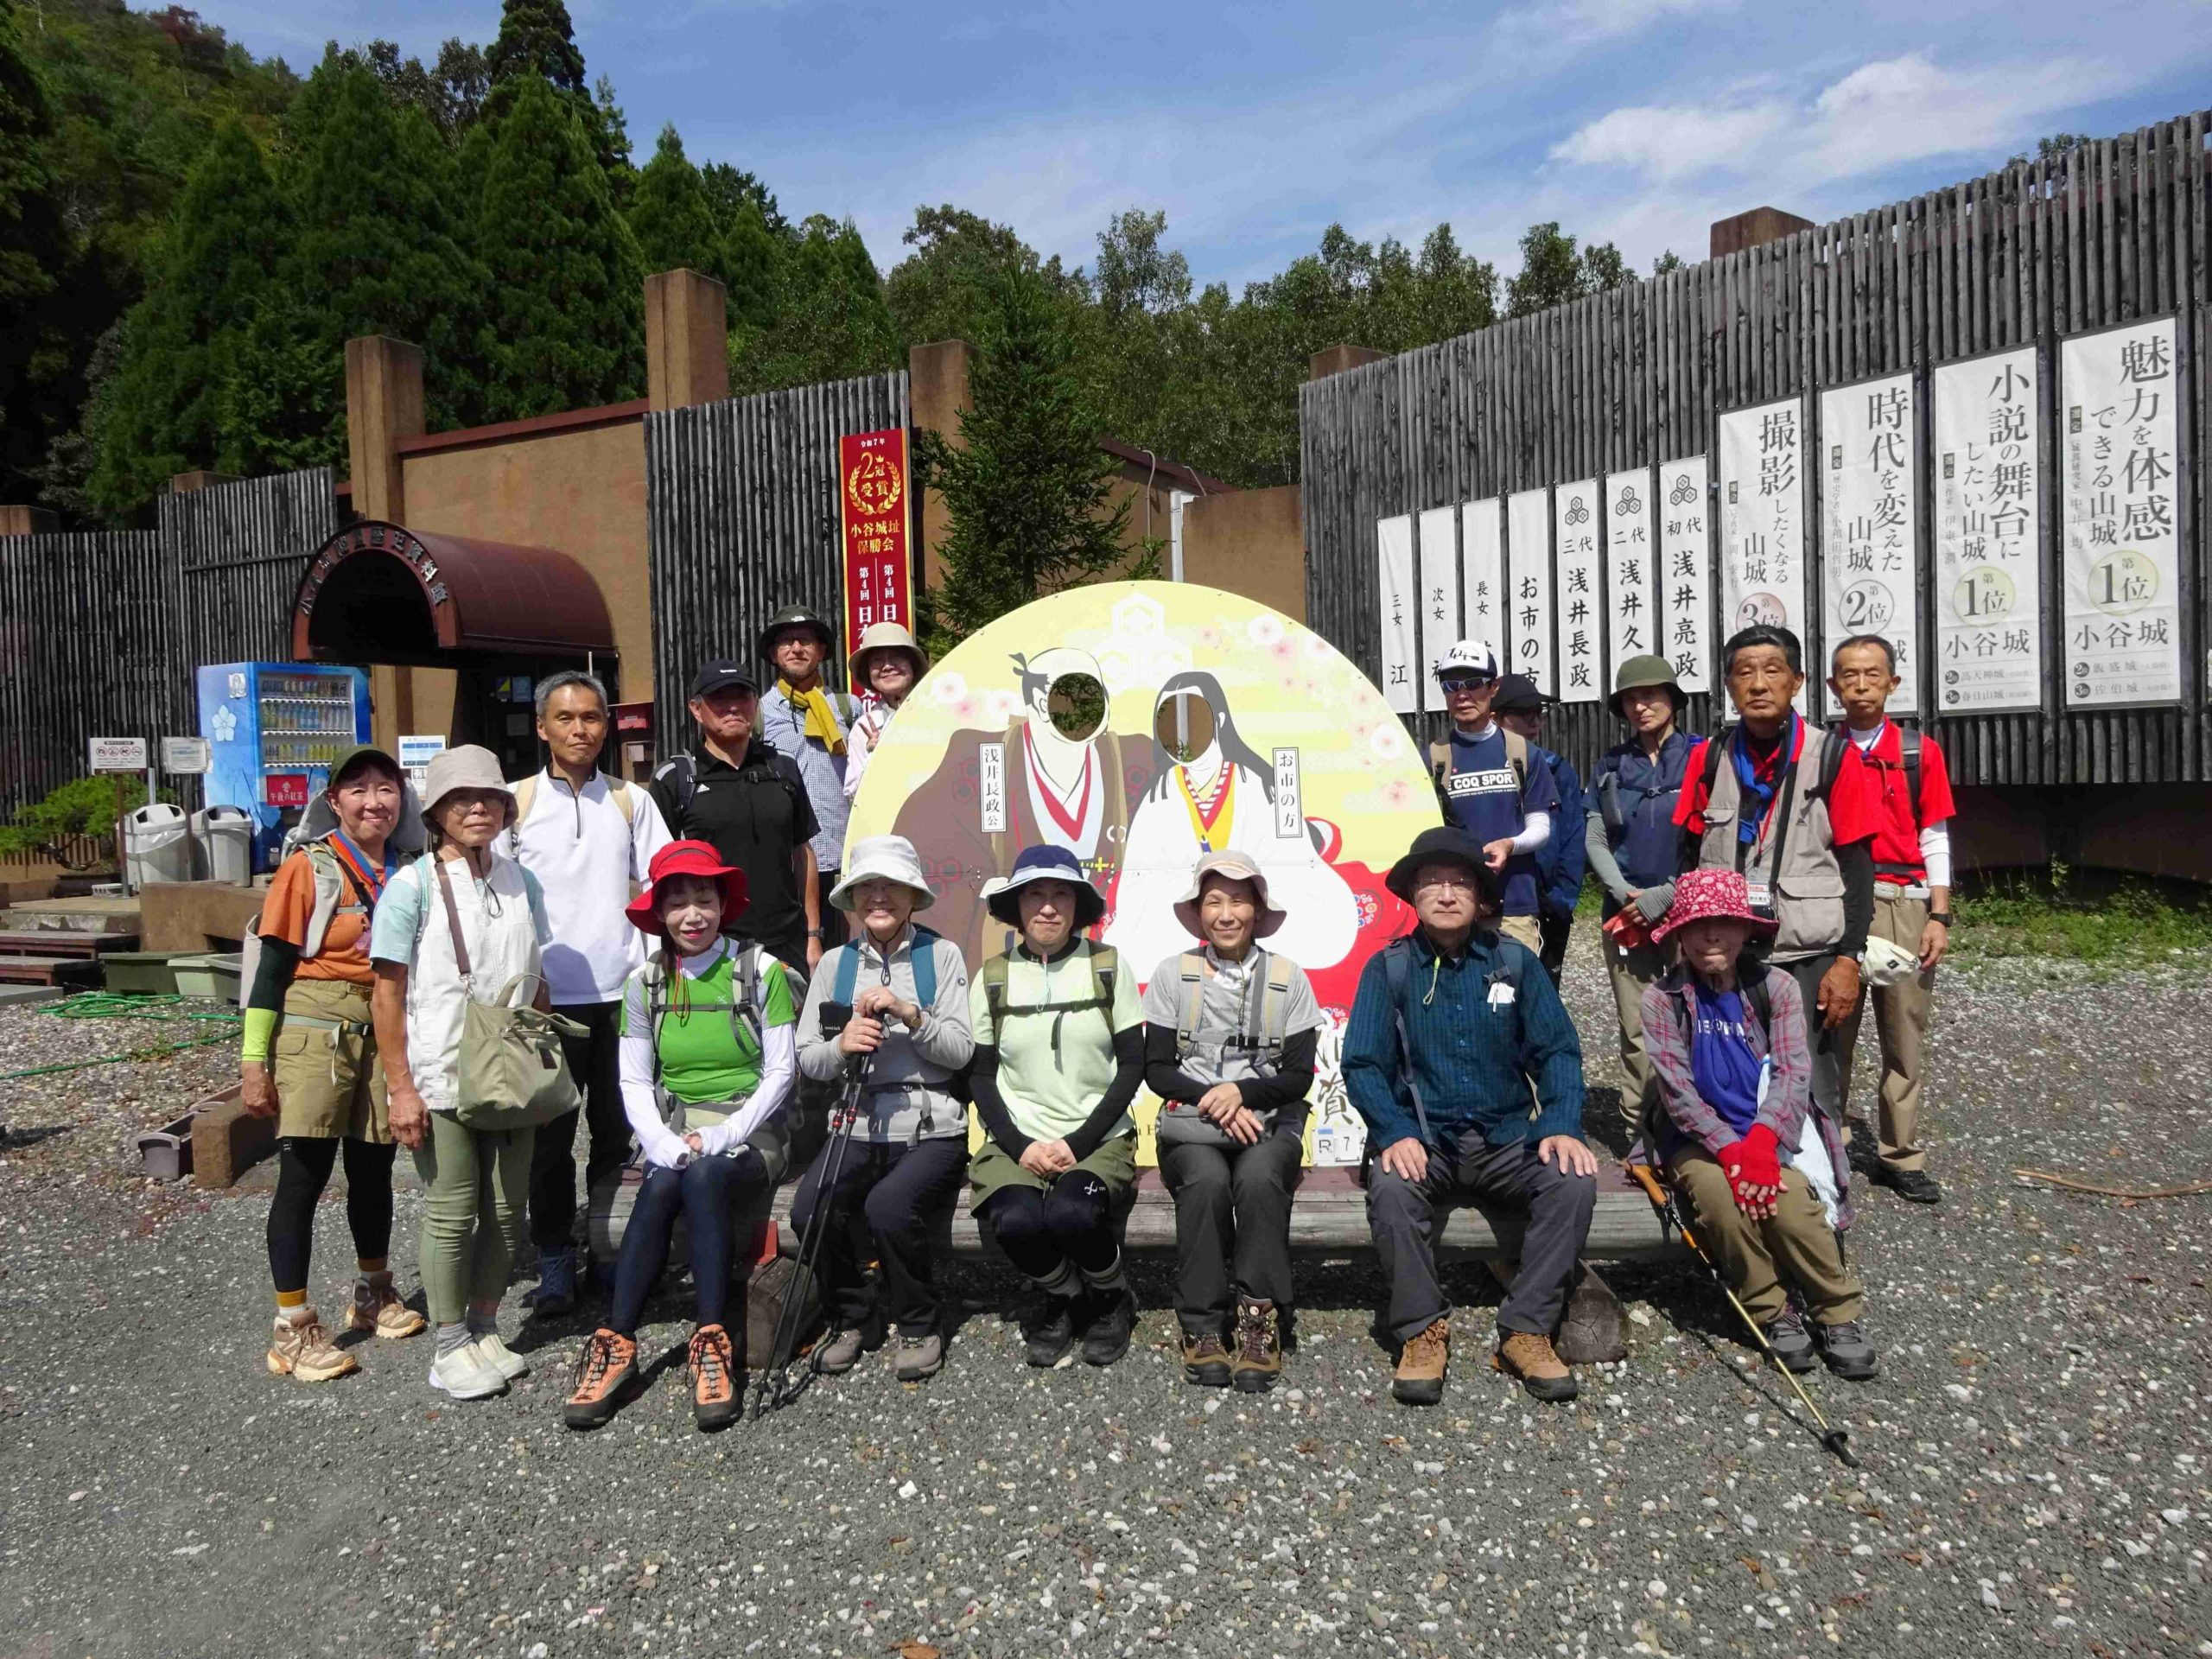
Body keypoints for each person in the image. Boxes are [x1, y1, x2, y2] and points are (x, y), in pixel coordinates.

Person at [1342, 826, 1594, 1408]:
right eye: (1432, 882)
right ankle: (1421, 1330)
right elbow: (1362, 1064)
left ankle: (1527, 1329)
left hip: (1506, 1139)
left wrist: (1560, 1121)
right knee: (1391, 1187)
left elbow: (1558, 1049)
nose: (1447, 893)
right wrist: (1394, 1131)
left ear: (1481, 897)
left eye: (1460, 882)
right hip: (1426, 1141)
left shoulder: (1515, 963)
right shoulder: (1389, 969)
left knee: (1573, 1179)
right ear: (1413, 894)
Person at [561, 841, 798, 1431]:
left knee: (706, 1175)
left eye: (704, 899)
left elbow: (780, 1072)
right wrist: (661, 1143)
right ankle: (617, 1340)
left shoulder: (760, 970)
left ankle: (711, 1339)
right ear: (659, 912)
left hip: (755, 1126)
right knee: (664, 1179)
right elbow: (633, 1078)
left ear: (722, 904)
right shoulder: (644, 983)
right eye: (678, 903)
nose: (693, 915)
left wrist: (722, 1136)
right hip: (678, 1126)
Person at [1637, 869, 1877, 1380]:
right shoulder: (1661, 999)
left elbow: (1793, 1074)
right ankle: (1770, 1307)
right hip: (1695, 1138)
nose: (1711, 936)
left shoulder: (1778, 987)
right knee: (1722, 1202)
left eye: (1724, 924)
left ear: (1746, 930)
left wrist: (1763, 1143)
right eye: (1697, 925)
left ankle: (1837, 1311)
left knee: (1790, 1204)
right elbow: (1678, 1095)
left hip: (1768, 1128)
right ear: (1680, 934)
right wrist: (1731, 1152)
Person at [369, 746, 555, 1402]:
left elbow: (537, 980)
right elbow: (386, 994)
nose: (479, 808)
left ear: (507, 809)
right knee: (452, 1210)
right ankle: (448, 1344)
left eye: (491, 798)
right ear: (437, 813)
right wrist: (401, 1088)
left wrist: (543, 1062)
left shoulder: (522, 881)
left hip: (512, 1070)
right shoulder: (411, 887)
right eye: (461, 799)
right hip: (441, 1070)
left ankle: (483, 1326)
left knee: (507, 1210)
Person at [245, 744, 427, 1382]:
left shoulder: (411, 869)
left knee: (374, 1169)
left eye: (386, 788)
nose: (374, 802)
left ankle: (374, 1289)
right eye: (358, 789)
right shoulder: (308, 868)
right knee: (304, 1175)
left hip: (385, 1029)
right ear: (334, 801)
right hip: (315, 1030)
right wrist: (254, 1061)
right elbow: (271, 971)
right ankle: (291, 1327)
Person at [505, 670, 674, 1315]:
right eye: (565, 718)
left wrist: (653, 973)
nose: (579, 729)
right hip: (545, 1003)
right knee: (548, 1141)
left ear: (607, 726)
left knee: (615, 1131)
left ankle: (605, 1247)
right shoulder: (515, 804)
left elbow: (661, 884)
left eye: (591, 717)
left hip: (619, 995)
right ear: (542, 727)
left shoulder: (632, 801)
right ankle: (554, 1257)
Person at [1675, 626, 1882, 1133]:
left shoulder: (1833, 757)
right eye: (1744, 672)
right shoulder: (1708, 758)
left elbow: (1858, 868)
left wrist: (1848, 960)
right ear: (1728, 685)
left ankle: (1820, 1174)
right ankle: (1733, 1163)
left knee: (1810, 1075)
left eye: (1773, 670)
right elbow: (1686, 858)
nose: (1759, 684)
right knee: (1723, 1068)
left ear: (1798, 680)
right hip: (1724, 948)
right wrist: (1685, 946)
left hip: (1807, 951)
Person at [791, 836, 974, 1382]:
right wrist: (842, 1045)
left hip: (932, 1127)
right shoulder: (835, 965)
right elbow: (808, 1058)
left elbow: (961, 1052)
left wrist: (911, 1015)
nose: (879, 896)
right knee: (810, 1208)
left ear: (913, 895)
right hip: (855, 1122)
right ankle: (853, 1314)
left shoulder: (941, 956)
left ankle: (919, 1323)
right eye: (867, 886)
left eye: (891, 885)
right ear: (851, 899)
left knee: (888, 1207)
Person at [1142, 851, 1324, 1393]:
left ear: (1258, 910)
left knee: (1259, 1178)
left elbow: (1298, 1077)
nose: (1226, 914)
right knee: (1205, 1181)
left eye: (1239, 901)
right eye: (1213, 902)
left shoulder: (1289, 978)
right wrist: (1216, 1100)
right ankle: (1201, 1325)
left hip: (1269, 1124)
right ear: (1198, 911)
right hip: (1193, 1124)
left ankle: (1258, 1322)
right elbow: (1157, 1070)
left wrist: (1242, 1093)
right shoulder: (1173, 975)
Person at [967, 845, 1147, 1369]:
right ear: (1017, 906)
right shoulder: (993, 977)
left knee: (1072, 1212)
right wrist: (1020, 1147)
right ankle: (1066, 1297)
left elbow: (1133, 1064)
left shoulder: (1107, 966)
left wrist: (1078, 1143)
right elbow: (980, 1074)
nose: (1048, 908)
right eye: (1035, 895)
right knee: (1014, 1219)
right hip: (1017, 1139)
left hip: (1097, 1137)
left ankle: (1112, 1296)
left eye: (1061, 895)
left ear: (1078, 905)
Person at [1108, 671, 1362, 976]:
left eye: (1194, 717)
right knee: (1139, 941)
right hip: (1190, 904)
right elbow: (1142, 874)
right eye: (1169, 722)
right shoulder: (1158, 794)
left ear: (1220, 720)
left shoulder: (1261, 782)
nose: (1183, 733)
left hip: (1254, 897)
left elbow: (1293, 860)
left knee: (1320, 919)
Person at [1827, 635, 1953, 1205]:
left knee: (1904, 1038)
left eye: (1872, 674)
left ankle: (1899, 1155)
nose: (1861, 685)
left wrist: (1939, 913)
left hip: (1904, 901)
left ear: (1892, 683)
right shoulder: (1822, 751)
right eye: (1849, 675)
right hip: (1839, 901)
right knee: (1833, 1030)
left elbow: (1935, 834)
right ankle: (1829, 1148)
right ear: (1833, 686)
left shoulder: (1918, 752)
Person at [1586, 655, 1701, 1132]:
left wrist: (1668, 894)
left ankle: (1693, 1129)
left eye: (1650, 695)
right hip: (1625, 913)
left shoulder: (1702, 757)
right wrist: (1624, 892)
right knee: (1637, 1026)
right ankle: (1640, 1130)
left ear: (1672, 700)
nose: (1641, 706)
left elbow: (1715, 840)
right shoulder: (1611, 765)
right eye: (1631, 699)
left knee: (1694, 1020)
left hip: (1692, 913)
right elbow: (1595, 837)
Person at [650, 658, 822, 977]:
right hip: (708, 948)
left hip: (787, 943)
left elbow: (803, 852)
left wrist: (813, 935)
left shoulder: (782, 768)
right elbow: (655, 873)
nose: (732, 707)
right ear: (696, 709)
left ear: (755, 703)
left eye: (742, 696)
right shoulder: (675, 778)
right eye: (719, 698)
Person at [1425, 640, 1559, 957]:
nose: (1462, 694)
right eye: (1451, 685)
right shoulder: (1432, 758)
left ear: (1494, 687)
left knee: (1515, 987)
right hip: (1451, 907)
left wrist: (1510, 845)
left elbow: (1541, 827)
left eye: (1473, 683)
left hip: (1513, 908)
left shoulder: (1524, 753)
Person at [759, 604, 855, 954]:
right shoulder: (758, 714)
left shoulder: (848, 708)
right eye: (787, 641)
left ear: (822, 650)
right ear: (773, 653)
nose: (796, 648)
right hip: (788, 864)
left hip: (845, 858)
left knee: (845, 961)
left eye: (806, 641)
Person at [1492, 673, 1585, 987]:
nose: (1534, 721)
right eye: (1522, 713)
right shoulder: (1478, 772)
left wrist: (1563, 899)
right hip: (1502, 898)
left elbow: (1573, 838)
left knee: (1544, 992)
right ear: (1495, 718)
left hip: (1550, 902)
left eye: (1538, 713)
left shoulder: (1557, 769)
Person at [842, 622, 928, 804]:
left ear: (912, 665)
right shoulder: (864, 727)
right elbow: (853, 796)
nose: (887, 666)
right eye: (877, 660)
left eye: (896, 657)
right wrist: (874, 757)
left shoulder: (937, 710)